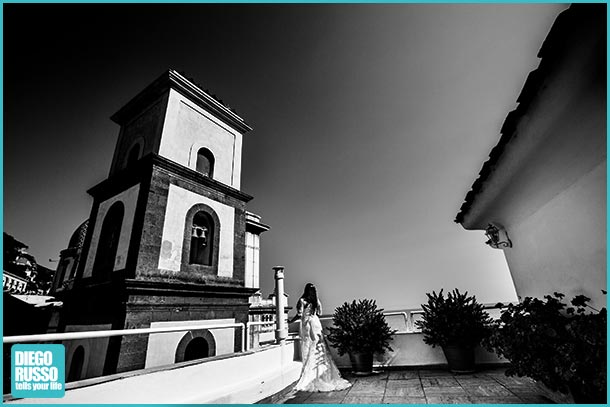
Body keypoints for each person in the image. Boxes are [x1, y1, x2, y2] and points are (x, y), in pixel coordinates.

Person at [289, 283, 351, 392]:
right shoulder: (316, 301)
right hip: (316, 323)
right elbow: (320, 313)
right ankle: (321, 372)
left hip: (307, 325)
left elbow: (299, 314)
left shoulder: (302, 301)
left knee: (308, 346)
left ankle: (309, 371)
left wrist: (291, 321)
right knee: (319, 347)